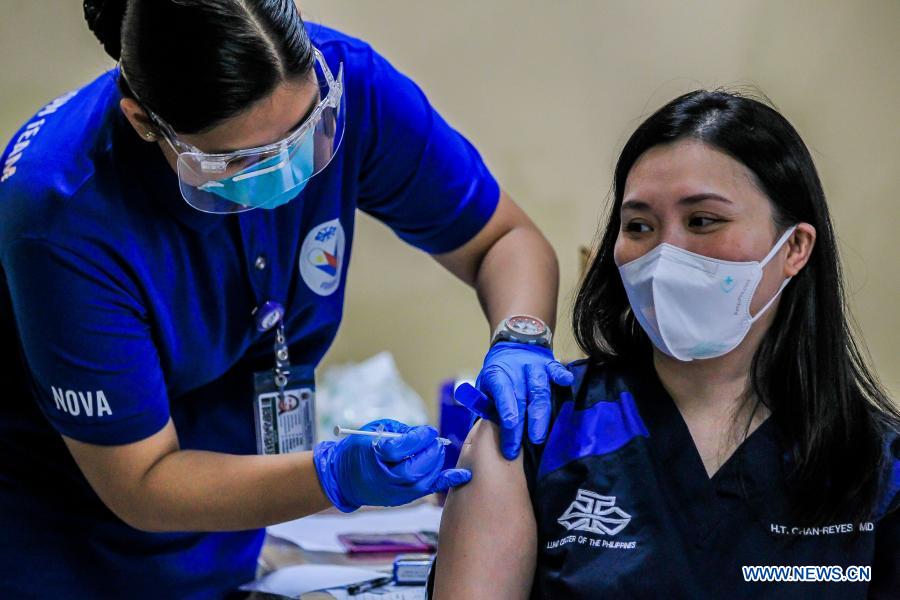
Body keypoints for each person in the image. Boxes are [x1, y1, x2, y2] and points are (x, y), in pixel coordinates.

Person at [0, 1, 572, 597]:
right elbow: (141, 482)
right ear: (145, 122)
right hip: (69, 546)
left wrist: (522, 338)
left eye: (304, 136)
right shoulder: (60, 215)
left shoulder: (347, 84)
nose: (284, 180)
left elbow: (503, 241)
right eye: (237, 163)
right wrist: (335, 475)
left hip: (232, 538)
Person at [433, 90, 900, 598]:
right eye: (639, 226)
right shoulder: (531, 433)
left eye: (702, 220)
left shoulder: (877, 466)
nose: (665, 254)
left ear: (794, 248)